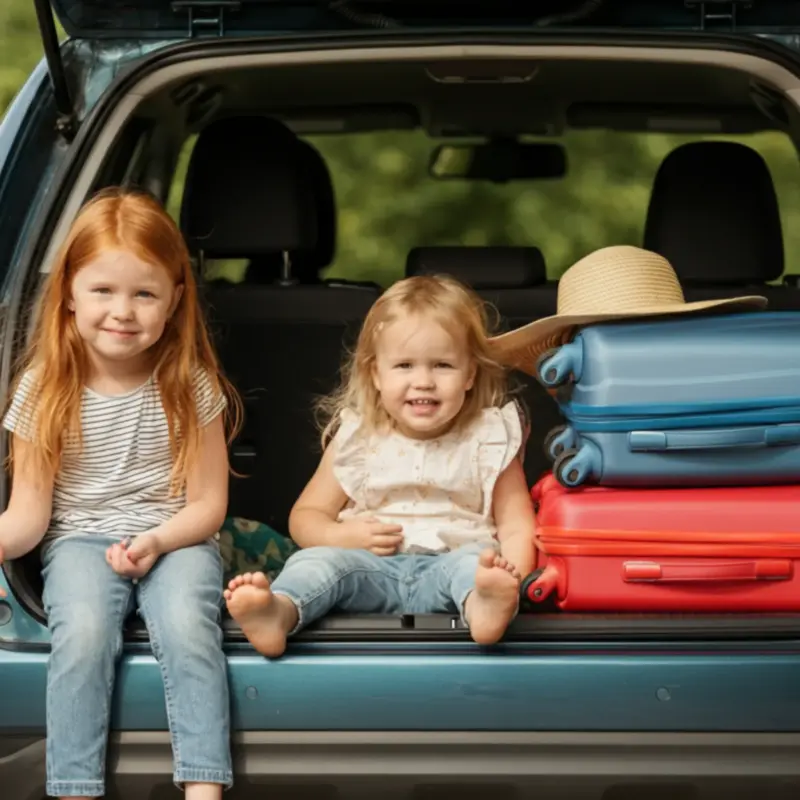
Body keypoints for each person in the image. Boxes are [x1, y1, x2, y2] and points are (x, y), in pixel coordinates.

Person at [0, 188, 241, 800]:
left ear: (175, 301)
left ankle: (204, 788)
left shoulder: (190, 385)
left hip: (176, 536)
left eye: (144, 293)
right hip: (79, 539)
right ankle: (74, 789)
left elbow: (208, 506)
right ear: (70, 296)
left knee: (190, 626)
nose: (123, 311)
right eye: (103, 291)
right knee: (80, 632)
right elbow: (28, 520)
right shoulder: (44, 388)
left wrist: (157, 540)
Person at [225, 274, 536, 657]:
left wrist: (512, 580)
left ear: (470, 373)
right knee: (315, 562)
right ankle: (280, 611)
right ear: (376, 374)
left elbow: (517, 525)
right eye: (404, 365)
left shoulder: (488, 437)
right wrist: (343, 538)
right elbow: (306, 516)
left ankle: (485, 606)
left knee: (475, 567)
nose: (423, 381)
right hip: (367, 569)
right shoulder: (359, 437)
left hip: (449, 567)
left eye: (442, 365)